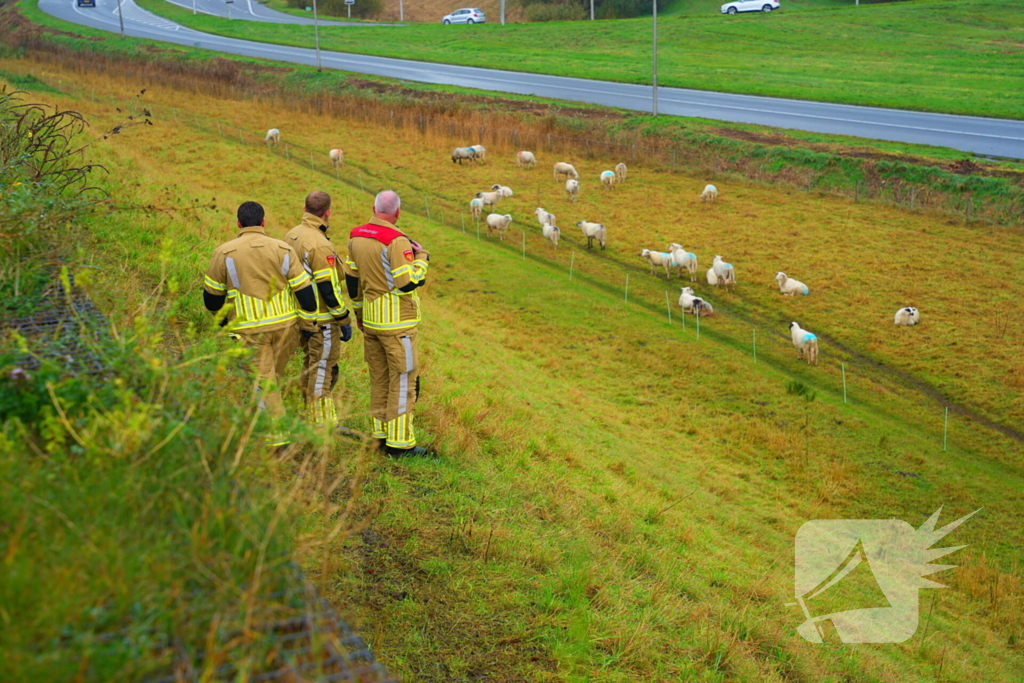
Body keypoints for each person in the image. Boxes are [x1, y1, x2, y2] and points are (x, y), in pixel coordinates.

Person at [203, 201, 318, 448]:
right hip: (286, 328)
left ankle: (276, 438)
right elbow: (305, 292)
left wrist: (223, 323)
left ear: (238, 223)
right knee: (271, 379)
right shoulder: (283, 249)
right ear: (263, 222)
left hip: (250, 330)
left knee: (264, 383)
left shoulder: (224, 253)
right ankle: (261, 423)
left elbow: (212, 298)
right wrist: (308, 323)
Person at [343, 190, 430, 457]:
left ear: (374, 208)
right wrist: (422, 260)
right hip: (397, 324)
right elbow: (406, 283)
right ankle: (400, 444)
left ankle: (380, 435)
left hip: (371, 320)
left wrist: (359, 315)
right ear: (398, 212)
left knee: (379, 379)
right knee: (403, 380)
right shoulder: (397, 240)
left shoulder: (356, 236)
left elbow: (353, 283)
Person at [285, 191, 353, 427]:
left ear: (305, 208)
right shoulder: (320, 244)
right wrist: (343, 318)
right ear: (327, 213)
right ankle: (321, 423)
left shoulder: (292, 235)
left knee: (311, 364)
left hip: (299, 314)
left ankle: (306, 415)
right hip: (321, 320)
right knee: (323, 369)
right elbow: (328, 287)